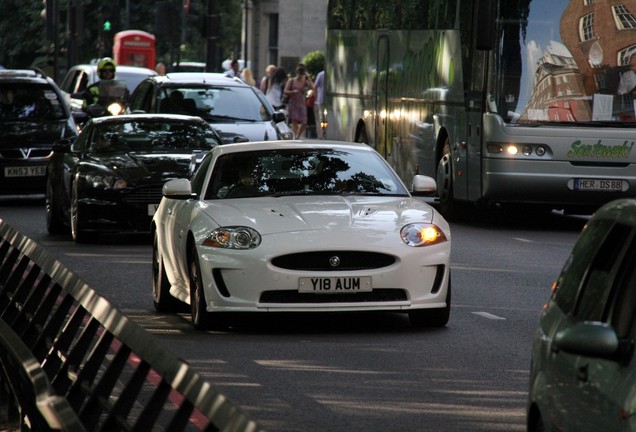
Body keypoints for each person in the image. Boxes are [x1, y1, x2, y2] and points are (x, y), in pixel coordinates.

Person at [284, 63, 315, 139]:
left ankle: (298, 135)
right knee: (294, 121)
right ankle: (295, 137)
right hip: (293, 103)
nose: (300, 75)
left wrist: (308, 78)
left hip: (301, 103)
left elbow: (313, 87)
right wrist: (293, 92)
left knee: (304, 121)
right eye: (299, 73)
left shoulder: (305, 81)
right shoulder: (292, 80)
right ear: (296, 72)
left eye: (302, 73)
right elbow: (285, 90)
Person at [313, 70, 325, 138]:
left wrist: (316, 97)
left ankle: (322, 132)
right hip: (326, 100)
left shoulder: (321, 74)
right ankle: (324, 131)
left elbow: (315, 86)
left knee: (322, 117)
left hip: (321, 99)